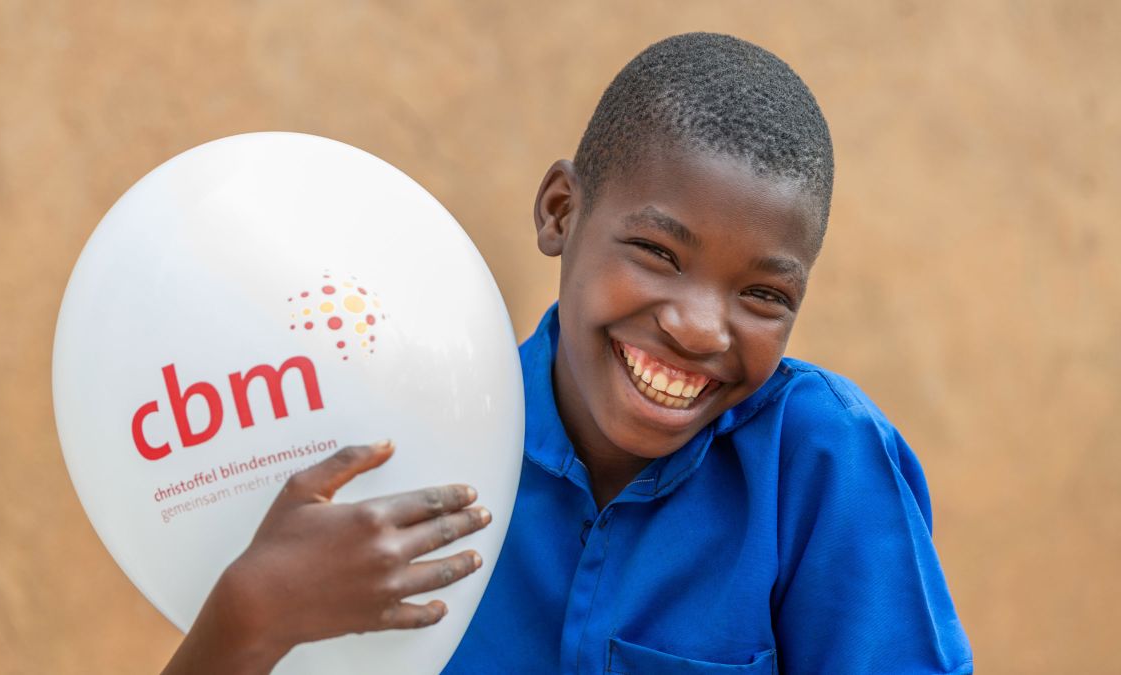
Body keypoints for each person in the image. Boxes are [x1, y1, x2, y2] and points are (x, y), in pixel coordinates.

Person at [164, 33, 973, 674]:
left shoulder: (819, 462)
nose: (698, 328)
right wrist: (253, 606)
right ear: (560, 212)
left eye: (763, 295)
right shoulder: (410, 453)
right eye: (658, 251)